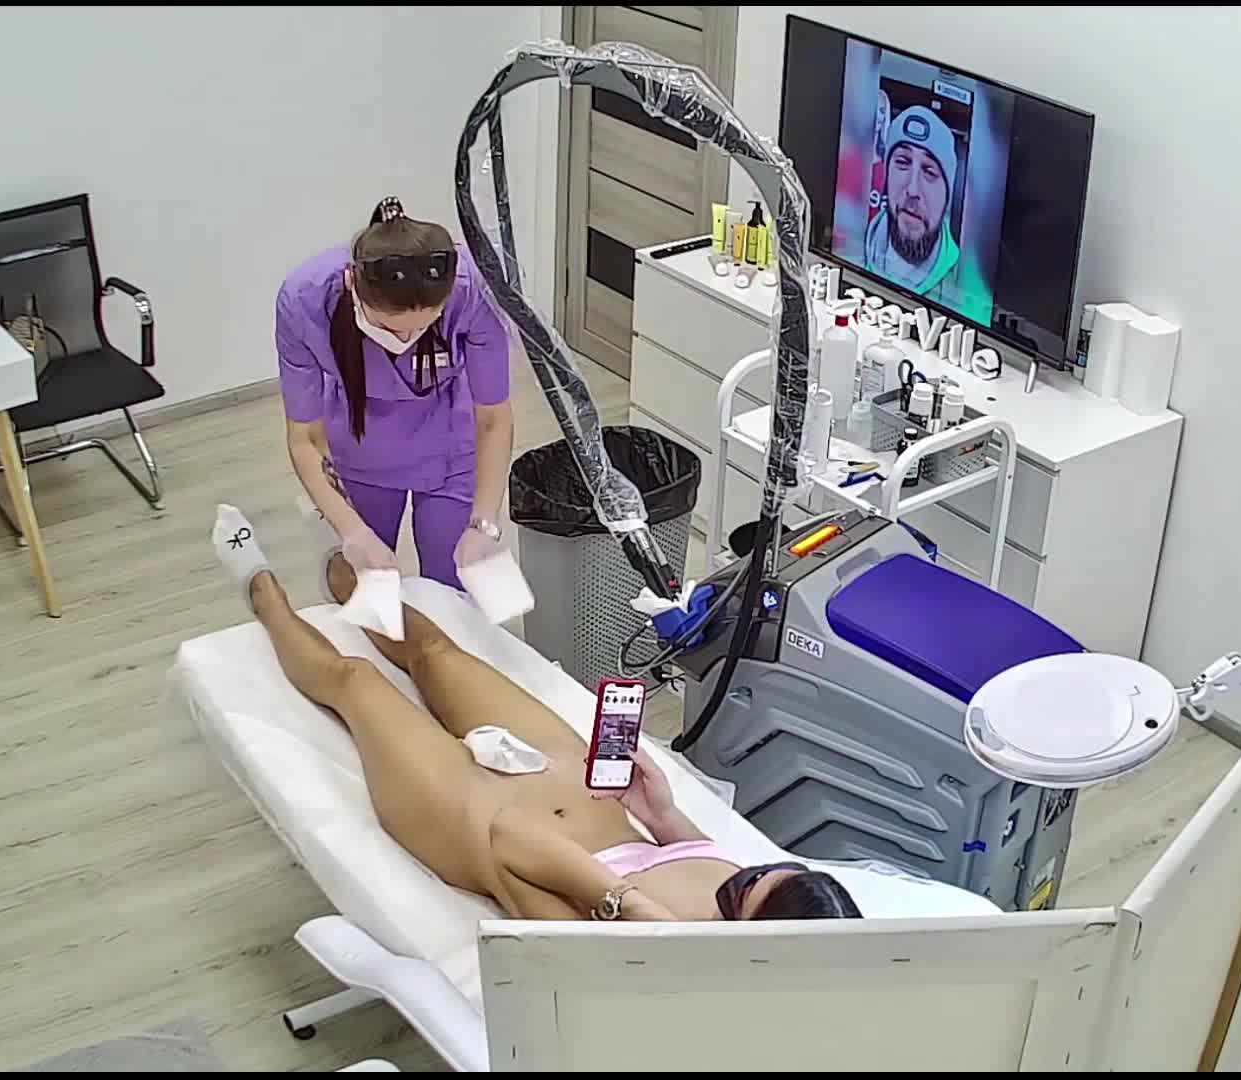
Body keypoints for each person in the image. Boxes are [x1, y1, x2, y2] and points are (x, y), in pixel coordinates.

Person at [211, 504, 863, 922]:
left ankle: (261, 593)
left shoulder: (637, 955)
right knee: (437, 654)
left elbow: (509, 841)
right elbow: (698, 857)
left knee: (357, 683)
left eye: (744, 890)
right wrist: (663, 815)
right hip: (578, 786)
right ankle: (344, 576)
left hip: (471, 816)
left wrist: (638, 912)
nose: (743, 878)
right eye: (758, 873)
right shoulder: (753, 894)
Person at [276, 196, 514, 592]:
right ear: (353, 285)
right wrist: (352, 531)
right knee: (368, 584)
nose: (406, 339)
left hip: (449, 447)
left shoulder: (473, 291)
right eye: (389, 327)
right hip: (360, 445)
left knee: (453, 581)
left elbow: (493, 417)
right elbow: (306, 437)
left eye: (423, 326)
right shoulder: (305, 300)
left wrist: (484, 523)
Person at [863, 105, 970, 313]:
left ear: (947, 195)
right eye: (903, 162)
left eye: (929, 172)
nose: (912, 190)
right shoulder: (855, 246)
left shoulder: (962, 281)